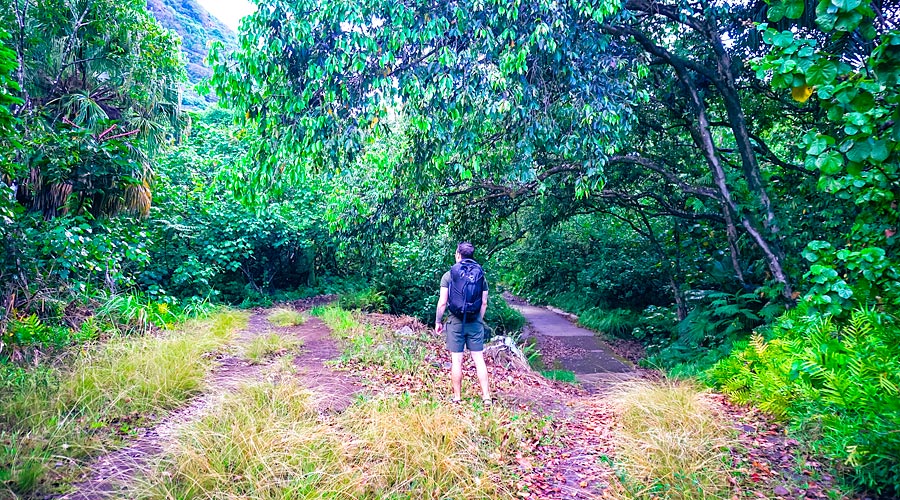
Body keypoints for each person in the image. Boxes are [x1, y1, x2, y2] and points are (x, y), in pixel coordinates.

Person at [434, 242, 492, 405]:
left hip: (455, 322)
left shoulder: (449, 275)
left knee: (456, 360)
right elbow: (484, 302)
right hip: (474, 322)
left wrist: (438, 321)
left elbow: (442, 302)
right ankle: (486, 397)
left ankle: (457, 398)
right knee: (479, 359)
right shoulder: (480, 275)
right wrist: (478, 319)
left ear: (458, 255)